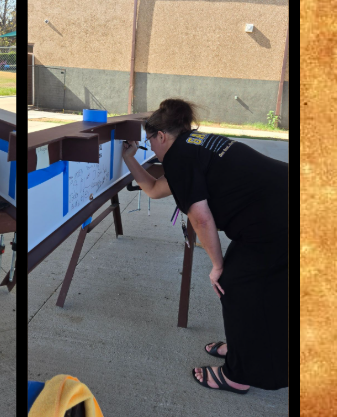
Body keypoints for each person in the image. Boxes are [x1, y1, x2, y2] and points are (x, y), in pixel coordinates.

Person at [121, 98, 288, 395]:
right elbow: (156, 189)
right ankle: (242, 351)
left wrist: (217, 265)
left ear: (161, 136)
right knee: (243, 288)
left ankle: (238, 375)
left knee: (233, 284)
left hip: (279, 221)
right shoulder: (195, 142)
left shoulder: (179, 157)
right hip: (280, 206)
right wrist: (129, 158)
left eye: (150, 142)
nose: (152, 149)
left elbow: (200, 218)